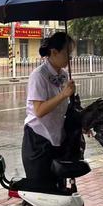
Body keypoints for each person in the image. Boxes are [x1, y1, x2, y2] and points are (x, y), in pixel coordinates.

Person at [22, 32, 75, 186]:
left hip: (57, 140)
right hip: (38, 141)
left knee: (59, 191)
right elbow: (39, 111)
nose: (70, 58)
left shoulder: (64, 76)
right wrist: (63, 94)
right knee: (42, 193)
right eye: (67, 53)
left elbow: (66, 110)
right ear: (54, 52)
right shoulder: (38, 76)